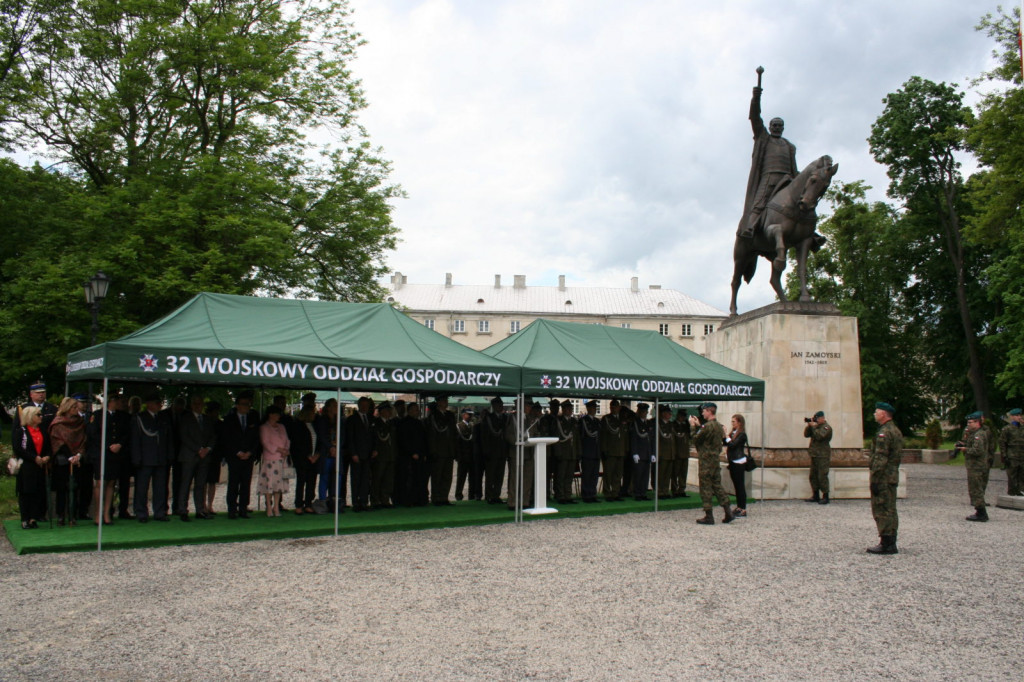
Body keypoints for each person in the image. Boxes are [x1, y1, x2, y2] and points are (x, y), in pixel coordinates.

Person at [737, 81, 798, 239]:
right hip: (769, 177)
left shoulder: (789, 146)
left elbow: (794, 167)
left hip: (787, 179)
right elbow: (755, 118)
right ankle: (749, 227)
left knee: (803, 201)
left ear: (783, 127)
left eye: (779, 125)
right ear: (770, 127)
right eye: (774, 125)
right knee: (759, 203)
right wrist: (756, 98)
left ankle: (811, 234)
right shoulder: (764, 138)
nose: (777, 127)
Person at [86, 394, 129, 526]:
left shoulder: (121, 416)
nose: (119, 403)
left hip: (115, 454)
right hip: (101, 453)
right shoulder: (98, 415)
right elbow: (93, 433)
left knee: (111, 483)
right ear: (110, 402)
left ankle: (106, 513)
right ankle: (98, 513)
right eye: (117, 401)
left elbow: (125, 433)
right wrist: (108, 445)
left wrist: (119, 444)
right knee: (100, 483)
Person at [867, 402, 903, 554]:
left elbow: (880, 458)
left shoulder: (885, 433)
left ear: (883, 414)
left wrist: (875, 478)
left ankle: (886, 542)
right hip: (891, 476)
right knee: (890, 508)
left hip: (883, 477)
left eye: (876, 412)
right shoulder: (894, 430)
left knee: (882, 508)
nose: (874, 414)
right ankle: (891, 541)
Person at [131, 392, 173, 523]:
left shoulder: (163, 418)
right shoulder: (139, 418)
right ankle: (141, 512)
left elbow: (168, 439)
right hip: (145, 458)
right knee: (142, 487)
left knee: (160, 487)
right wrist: (136, 458)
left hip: (160, 458)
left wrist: (169, 456)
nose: (159, 405)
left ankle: (160, 512)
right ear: (149, 404)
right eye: (156, 402)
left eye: (160, 403)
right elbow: (135, 440)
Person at [690, 403, 733, 525]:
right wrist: (700, 426)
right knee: (717, 485)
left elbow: (695, 439)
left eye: (704, 411)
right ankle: (727, 510)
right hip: (715, 460)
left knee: (705, 487)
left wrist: (693, 427)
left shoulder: (707, 427)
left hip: (706, 461)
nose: (702, 413)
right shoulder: (719, 426)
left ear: (709, 411)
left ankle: (709, 515)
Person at [176, 395, 217, 521]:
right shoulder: (185, 418)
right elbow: (184, 436)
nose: (198, 406)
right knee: (186, 483)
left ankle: (200, 509)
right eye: (196, 404)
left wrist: (208, 449)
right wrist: (198, 449)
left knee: (201, 484)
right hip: (190, 455)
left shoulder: (207, 419)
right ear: (192, 405)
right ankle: (183, 510)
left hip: (204, 457)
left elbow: (213, 436)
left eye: (200, 404)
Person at [221, 391, 261, 519]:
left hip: (248, 456)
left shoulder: (253, 418)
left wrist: (250, 452)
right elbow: (226, 438)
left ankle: (243, 508)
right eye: (244, 404)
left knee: (246, 483)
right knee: (233, 483)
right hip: (234, 456)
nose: (246, 407)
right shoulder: (229, 419)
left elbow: (256, 438)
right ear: (237, 405)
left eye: (248, 405)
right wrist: (237, 452)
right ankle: (232, 509)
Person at [49, 397, 87, 526]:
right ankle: (61, 515)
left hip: (77, 459)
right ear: (67, 408)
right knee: (62, 489)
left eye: (77, 407)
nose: (77, 410)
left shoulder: (80, 422)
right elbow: (58, 442)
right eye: (74, 407)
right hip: (62, 460)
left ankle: (73, 514)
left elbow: (83, 440)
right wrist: (69, 456)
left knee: (75, 488)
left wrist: (78, 455)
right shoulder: (58, 423)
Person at [12, 406, 50, 529]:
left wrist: (46, 457)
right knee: (26, 492)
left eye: (40, 414)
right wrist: (34, 458)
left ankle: (34, 517)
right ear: (30, 417)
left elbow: (48, 446)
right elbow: (18, 449)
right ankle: (25, 518)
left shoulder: (42, 431)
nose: (41, 416)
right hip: (27, 466)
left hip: (40, 466)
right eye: (38, 415)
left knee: (38, 491)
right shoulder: (21, 431)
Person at [505, 399, 543, 510]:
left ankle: (525, 501)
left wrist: (535, 439)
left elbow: (535, 432)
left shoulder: (531, 419)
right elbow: (508, 434)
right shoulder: (512, 418)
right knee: (515, 479)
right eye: (527, 405)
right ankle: (513, 502)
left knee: (527, 479)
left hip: (529, 452)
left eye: (529, 405)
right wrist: (518, 442)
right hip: (517, 451)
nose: (529, 407)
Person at [258, 405, 290, 517]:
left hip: (282, 459)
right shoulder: (264, 427)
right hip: (271, 459)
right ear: (270, 415)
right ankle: (268, 506)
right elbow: (265, 443)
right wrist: (278, 449)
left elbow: (287, 440)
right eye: (276, 414)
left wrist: (286, 450)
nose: (278, 416)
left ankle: (276, 506)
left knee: (279, 485)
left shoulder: (281, 427)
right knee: (269, 484)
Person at [958, 411, 991, 522]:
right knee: (975, 489)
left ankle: (981, 513)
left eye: (970, 422)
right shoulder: (974, 433)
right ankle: (979, 511)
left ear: (977, 422)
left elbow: (978, 450)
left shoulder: (979, 435)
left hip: (977, 466)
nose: (968, 424)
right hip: (974, 466)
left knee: (976, 490)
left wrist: (965, 449)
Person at [426, 395, 457, 506]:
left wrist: (454, 450)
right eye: (444, 400)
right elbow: (431, 435)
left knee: (447, 476)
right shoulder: (434, 416)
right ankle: (436, 498)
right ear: (438, 402)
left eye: (446, 400)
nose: (446, 402)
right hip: (438, 450)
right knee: (437, 475)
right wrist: (433, 450)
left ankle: (444, 497)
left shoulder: (450, 415)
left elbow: (454, 434)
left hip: (449, 450)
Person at [396, 402, 429, 506]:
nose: (417, 411)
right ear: (409, 410)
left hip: (419, 455)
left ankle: (419, 499)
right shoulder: (404, 423)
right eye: (415, 409)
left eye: (418, 409)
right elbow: (403, 440)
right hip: (408, 457)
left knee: (419, 479)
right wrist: (412, 453)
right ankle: (408, 500)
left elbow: (423, 439)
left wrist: (423, 453)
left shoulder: (419, 423)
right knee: (408, 480)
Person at [345, 396, 374, 511]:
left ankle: (364, 501)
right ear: (359, 405)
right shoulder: (352, 419)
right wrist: (353, 453)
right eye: (363, 405)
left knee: (366, 479)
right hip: (357, 454)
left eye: (367, 405)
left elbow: (373, 436)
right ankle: (355, 502)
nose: (365, 407)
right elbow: (350, 438)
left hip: (368, 454)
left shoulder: (370, 418)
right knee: (356, 478)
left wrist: (374, 449)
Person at [11, 379, 57, 450]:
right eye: (38, 393)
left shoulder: (53, 408)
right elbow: (16, 429)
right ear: (31, 394)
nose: (41, 394)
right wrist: (15, 448)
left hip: (47, 444)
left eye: (43, 392)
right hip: (29, 444)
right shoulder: (23, 409)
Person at [289, 404, 319, 514]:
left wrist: (316, 455)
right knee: (301, 482)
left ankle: (308, 503)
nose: (314, 415)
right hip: (302, 459)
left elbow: (318, 441)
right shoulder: (298, 425)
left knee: (311, 482)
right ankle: (298, 504)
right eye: (312, 413)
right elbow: (297, 443)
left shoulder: (314, 425)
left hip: (314, 458)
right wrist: (307, 455)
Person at [480, 398, 509, 505]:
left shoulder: (505, 418)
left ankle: (496, 495)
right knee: (490, 475)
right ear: (493, 406)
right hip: (491, 451)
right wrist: (486, 451)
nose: (500, 406)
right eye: (498, 405)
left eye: (501, 404)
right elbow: (485, 436)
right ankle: (489, 495)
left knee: (500, 475)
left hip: (502, 451)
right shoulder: (489, 418)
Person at [552, 400, 580, 504]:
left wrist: (578, 452)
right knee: (560, 475)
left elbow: (577, 438)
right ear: (563, 410)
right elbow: (556, 438)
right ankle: (560, 495)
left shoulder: (574, 421)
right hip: (563, 452)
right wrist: (558, 452)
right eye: (567, 409)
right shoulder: (558, 421)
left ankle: (568, 495)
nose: (569, 411)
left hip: (572, 452)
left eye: (570, 409)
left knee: (569, 475)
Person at [370, 401, 397, 509]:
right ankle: (375, 500)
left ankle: (385, 499)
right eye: (387, 410)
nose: (390, 412)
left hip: (390, 455)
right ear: (382, 411)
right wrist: (374, 450)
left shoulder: (391, 423)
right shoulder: (376, 423)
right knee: (377, 479)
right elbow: (373, 439)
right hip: (380, 456)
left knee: (388, 479)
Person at [600, 399, 627, 502]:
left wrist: (626, 450)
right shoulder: (606, 419)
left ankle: (615, 492)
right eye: (612, 407)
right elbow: (604, 436)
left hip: (620, 451)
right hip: (610, 451)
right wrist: (604, 450)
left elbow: (625, 437)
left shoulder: (622, 419)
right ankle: (607, 493)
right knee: (608, 474)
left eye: (615, 407)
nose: (613, 408)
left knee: (618, 474)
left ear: (619, 408)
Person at [804, 410, 833, 504]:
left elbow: (819, 436)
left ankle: (825, 496)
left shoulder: (826, 427)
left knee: (822, 476)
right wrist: (809, 426)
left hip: (823, 455)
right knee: (813, 476)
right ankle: (815, 495)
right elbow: (806, 435)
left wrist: (813, 427)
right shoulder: (815, 427)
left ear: (822, 418)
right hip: (814, 455)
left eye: (817, 418)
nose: (815, 420)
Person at [202, 400, 224, 516]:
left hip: (216, 456)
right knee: (204, 481)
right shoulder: (204, 423)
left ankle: (210, 505)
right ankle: (204, 505)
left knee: (212, 481)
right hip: (204, 455)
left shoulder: (220, 424)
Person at [725, 414, 749, 518]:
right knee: (736, 485)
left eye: (734, 421)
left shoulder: (742, 434)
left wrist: (726, 436)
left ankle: (743, 509)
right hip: (732, 461)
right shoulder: (733, 433)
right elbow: (727, 443)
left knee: (740, 486)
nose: (732, 423)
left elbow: (733, 445)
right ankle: (739, 507)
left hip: (739, 461)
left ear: (739, 422)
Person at [629, 403, 654, 501]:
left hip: (647, 453)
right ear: (639, 412)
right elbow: (634, 438)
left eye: (645, 412)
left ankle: (643, 492)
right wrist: (634, 452)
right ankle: (637, 493)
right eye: (643, 412)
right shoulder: (635, 423)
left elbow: (651, 439)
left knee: (645, 475)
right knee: (638, 475)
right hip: (639, 453)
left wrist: (652, 453)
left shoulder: (648, 423)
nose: (644, 413)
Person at [578, 401, 601, 503]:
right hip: (587, 452)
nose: (593, 410)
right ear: (588, 409)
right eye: (591, 408)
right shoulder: (583, 421)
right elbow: (581, 437)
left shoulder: (597, 421)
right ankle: (586, 494)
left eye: (594, 408)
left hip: (596, 451)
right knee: (587, 475)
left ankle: (592, 493)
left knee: (594, 475)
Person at [999, 408, 1024, 497]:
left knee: (1022, 474)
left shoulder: (1022, 428)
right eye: (1017, 415)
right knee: (1012, 475)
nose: (1019, 417)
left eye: (1020, 415)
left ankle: (1021, 491)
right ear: (1012, 417)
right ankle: (1012, 492)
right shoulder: (1007, 429)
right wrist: (1004, 456)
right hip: (1012, 455)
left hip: (1022, 455)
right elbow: (1002, 443)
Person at [454, 409, 475, 501]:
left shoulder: (472, 426)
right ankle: (458, 494)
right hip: (463, 456)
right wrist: (458, 456)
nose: (470, 416)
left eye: (471, 415)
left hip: (471, 456)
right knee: (461, 477)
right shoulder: (459, 426)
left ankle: (471, 495)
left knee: (472, 477)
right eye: (468, 414)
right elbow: (457, 442)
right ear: (463, 415)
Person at [655, 405, 675, 500]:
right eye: (668, 413)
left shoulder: (671, 424)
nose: (670, 415)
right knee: (661, 474)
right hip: (662, 453)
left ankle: (666, 490)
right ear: (663, 414)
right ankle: (659, 491)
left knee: (667, 475)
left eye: (670, 413)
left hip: (670, 453)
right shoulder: (658, 424)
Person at [672, 409, 691, 497]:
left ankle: (681, 489)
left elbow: (688, 436)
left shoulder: (685, 425)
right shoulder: (674, 425)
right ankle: (674, 489)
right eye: (682, 416)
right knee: (675, 472)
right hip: (677, 453)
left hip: (685, 452)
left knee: (683, 472)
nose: (683, 418)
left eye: (684, 416)